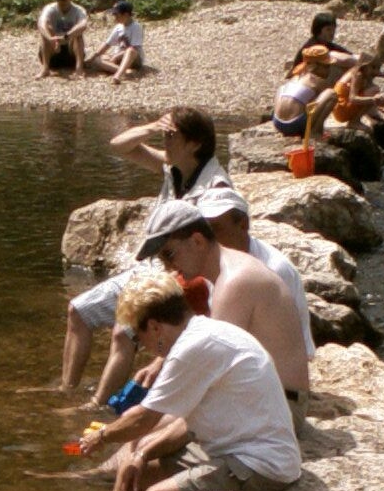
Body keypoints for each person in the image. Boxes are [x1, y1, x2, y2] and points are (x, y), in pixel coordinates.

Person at [27, 272, 300, 491]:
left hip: (262, 465)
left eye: (137, 335)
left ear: (155, 327)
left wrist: (101, 436)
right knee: (132, 470)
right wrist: (142, 455)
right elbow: (186, 422)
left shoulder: (191, 349)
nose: (140, 345)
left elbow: (144, 419)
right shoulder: (203, 332)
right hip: (233, 448)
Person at [61, 108, 229, 401]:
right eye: (164, 135)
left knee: (123, 333)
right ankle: (66, 390)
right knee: (78, 310)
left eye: (171, 136)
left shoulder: (215, 188)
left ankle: (96, 405)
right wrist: (152, 126)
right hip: (150, 267)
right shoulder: (172, 166)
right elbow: (118, 146)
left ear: (195, 144)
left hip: (177, 273)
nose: (165, 141)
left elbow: (211, 249)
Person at [135, 201, 310, 421]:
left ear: (197, 241)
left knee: (151, 436)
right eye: (161, 259)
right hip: (267, 397)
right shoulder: (223, 274)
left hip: (281, 407)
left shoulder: (234, 282)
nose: (168, 267)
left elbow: (210, 367)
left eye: (169, 255)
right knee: (156, 428)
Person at [194, 187, 315, 366]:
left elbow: (283, 345)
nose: (207, 239)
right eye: (204, 231)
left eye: (215, 229)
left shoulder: (273, 270)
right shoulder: (217, 262)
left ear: (243, 225)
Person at [272, 46, 337, 141]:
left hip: (278, 123)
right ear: (314, 65)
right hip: (295, 124)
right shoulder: (316, 80)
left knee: (282, 89)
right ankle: (315, 132)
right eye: (326, 66)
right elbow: (322, 105)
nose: (329, 70)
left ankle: (287, 131)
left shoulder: (296, 76)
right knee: (331, 94)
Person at [331, 53, 384, 129]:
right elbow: (353, 99)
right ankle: (354, 122)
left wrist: (381, 106)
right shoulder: (358, 75)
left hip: (344, 107)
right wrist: (373, 99)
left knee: (373, 89)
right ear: (364, 65)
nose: (376, 72)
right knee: (374, 90)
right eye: (373, 67)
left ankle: (369, 116)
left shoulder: (363, 73)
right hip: (341, 112)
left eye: (378, 68)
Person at [289, 10, 357, 83]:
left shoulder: (327, 44)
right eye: (328, 29)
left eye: (334, 29)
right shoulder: (313, 48)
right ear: (319, 30)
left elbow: (350, 55)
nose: (332, 33)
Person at [36, 0, 88, 77]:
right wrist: (50, 39)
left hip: (71, 53)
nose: (61, 2)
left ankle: (79, 69)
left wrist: (67, 36)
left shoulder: (78, 10)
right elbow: (41, 24)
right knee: (45, 31)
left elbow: (83, 25)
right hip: (53, 52)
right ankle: (45, 69)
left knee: (78, 34)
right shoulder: (50, 9)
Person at [86, 0, 144, 83]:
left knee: (130, 51)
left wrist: (116, 56)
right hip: (118, 58)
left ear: (126, 14)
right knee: (99, 59)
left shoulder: (136, 27)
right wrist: (92, 57)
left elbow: (134, 48)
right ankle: (126, 71)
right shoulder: (118, 27)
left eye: (116, 14)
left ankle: (118, 75)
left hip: (133, 58)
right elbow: (107, 44)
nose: (114, 16)